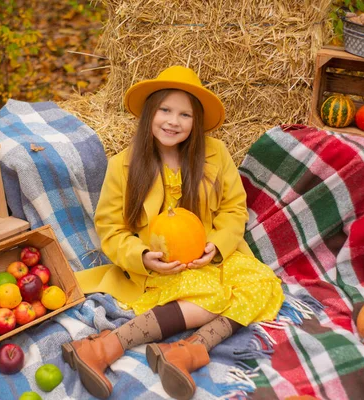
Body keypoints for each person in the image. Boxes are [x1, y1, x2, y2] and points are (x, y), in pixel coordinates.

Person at [65, 66, 284, 400]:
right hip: (160, 264)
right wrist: (143, 257)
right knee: (211, 294)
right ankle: (105, 347)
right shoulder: (123, 165)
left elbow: (233, 208)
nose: (173, 121)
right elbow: (110, 228)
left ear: (195, 122)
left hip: (209, 257)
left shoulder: (216, 155)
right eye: (165, 110)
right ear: (150, 112)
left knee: (263, 283)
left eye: (184, 114)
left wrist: (218, 245)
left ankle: (186, 351)